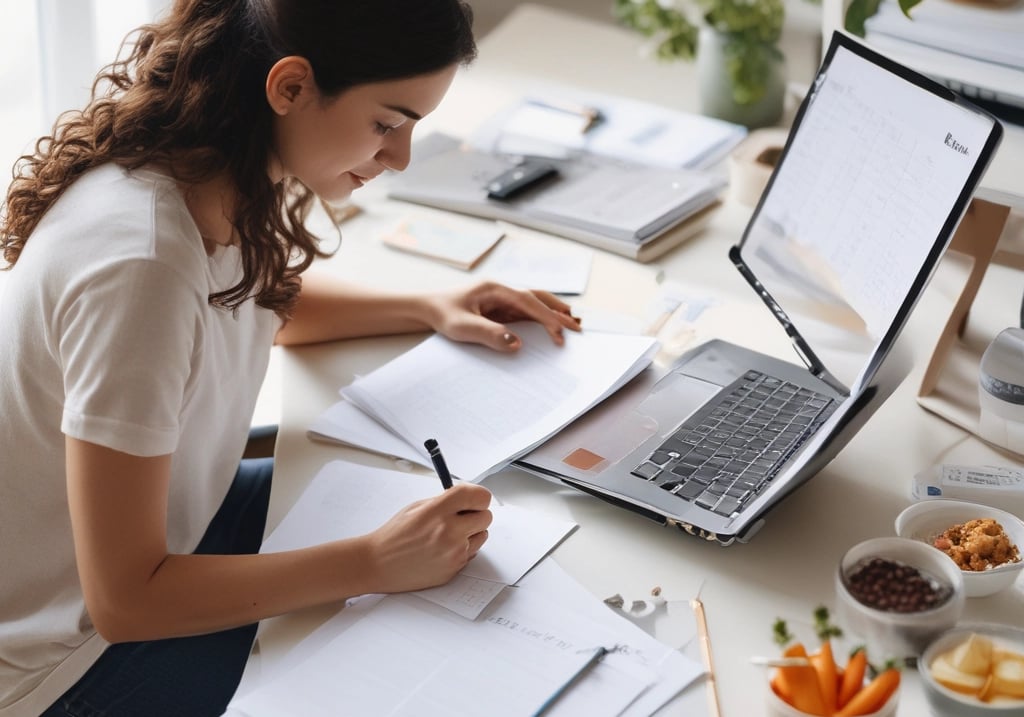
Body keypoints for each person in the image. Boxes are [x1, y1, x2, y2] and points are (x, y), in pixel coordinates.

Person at [0, 1, 581, 715]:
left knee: (411, 512)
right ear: (290, 86)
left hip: (180, 520)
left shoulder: (211, 167)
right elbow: (125, 600)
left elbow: (248, 301)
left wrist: (429, 303)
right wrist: (373, 562)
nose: (399, 157)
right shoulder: (139, 264)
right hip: (69, 658)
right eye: (387, 123)